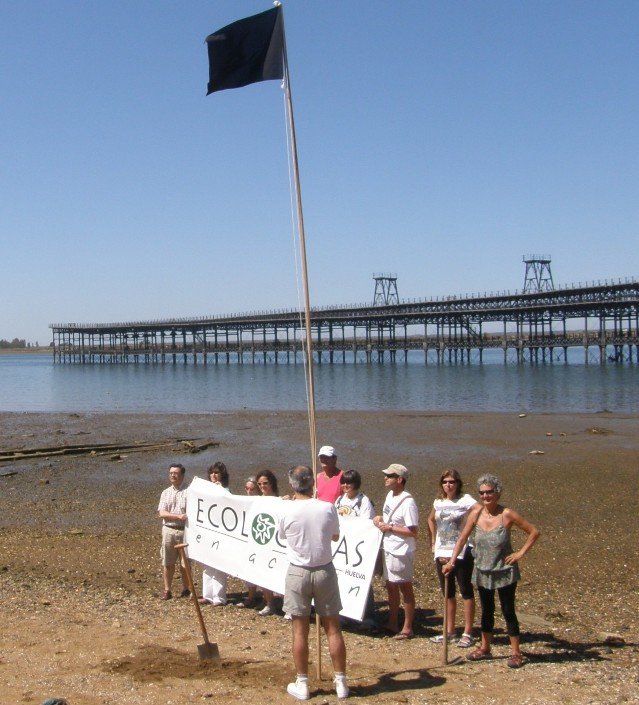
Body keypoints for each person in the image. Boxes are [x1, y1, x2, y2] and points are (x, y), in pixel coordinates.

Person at [443, 473, 540, 668]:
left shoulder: (507, 514)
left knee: (507, 610)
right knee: (487, 610)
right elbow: (462, 539)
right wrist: (451, 562)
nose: (486, 496)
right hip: (482, 570)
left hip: (504, 570)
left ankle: (516, 653)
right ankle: (485, 648)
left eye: (489, 492)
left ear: (497, 493)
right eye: (482, 493)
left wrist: (520, 553)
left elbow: (534, 532)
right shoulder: (476, 514)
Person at [278, 465, 349, 700]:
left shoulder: (287, 510)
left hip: (298, 571)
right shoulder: (327, 508)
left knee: (300, 631)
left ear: (292, 484)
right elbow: (335, 535)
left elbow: (283, 536)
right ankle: (341, 682)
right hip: (324, 571)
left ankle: (303, 682)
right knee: (333, 628)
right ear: (313, 484)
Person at [427, 469, 479, 647]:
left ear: (458, 484)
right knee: (447, 592)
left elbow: (478, 509)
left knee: (465, 590)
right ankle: (449, 631)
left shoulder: (465, 500)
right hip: (442, 551)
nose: (448, 485)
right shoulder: (439, 501)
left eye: (452, 482)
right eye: (445, 482)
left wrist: (468, 526)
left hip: (462, 551)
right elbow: (431, 519)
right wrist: (433, 541)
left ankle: (467, 632)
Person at [373, 463, 419, 640]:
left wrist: (390, 527)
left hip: (401, 550)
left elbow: (413, 531)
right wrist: (380, 519)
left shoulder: (408, 502)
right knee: (390, 585)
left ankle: (407, 628)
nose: (386, 478)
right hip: (389, 547)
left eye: (390, 476)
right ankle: (392, 623)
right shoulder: (390, 496)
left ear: (399, 479)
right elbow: (389, 518)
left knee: (404, 587)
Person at [199, 462, 230, 606]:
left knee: (219, 565)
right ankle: (207, 595)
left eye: (216, 473)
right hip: (207, 531)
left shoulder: (225, 490)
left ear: (222, 475)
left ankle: (219, 597)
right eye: (212, 473)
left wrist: (220, 489)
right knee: (207, 564)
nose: (214, 475)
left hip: (221, 532)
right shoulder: (205, 489)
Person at [157, 463, 189, 600]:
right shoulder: (165, 492)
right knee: (168, 562)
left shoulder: (189, 492)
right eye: (171, 473)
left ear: (182, 475)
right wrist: (177, 516)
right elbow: (162, 513)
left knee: (185, 563)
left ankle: (186, 589)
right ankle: (167, 590)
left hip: (185, 531)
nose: (172, 475)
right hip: (169, 530)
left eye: (175, 473)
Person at [255, 470, 283, 616]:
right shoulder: (257, 501)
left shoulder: (279, 500)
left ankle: (286, 604)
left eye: (265, 483)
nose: (262, 486)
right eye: (259, 483)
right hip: (263, 540)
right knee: (263, 572)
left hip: (277, 542)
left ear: (271, 483)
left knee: (280, 572)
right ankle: (269, 602)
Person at [236, 475, 260, 608]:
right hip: (246, 538)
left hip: (258, 539)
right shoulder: (243, 501)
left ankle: (262, 597)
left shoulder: (262, 501)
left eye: (252, 489)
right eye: (247, 488)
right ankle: (251, 595)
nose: (249, 491)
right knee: (247, 567)